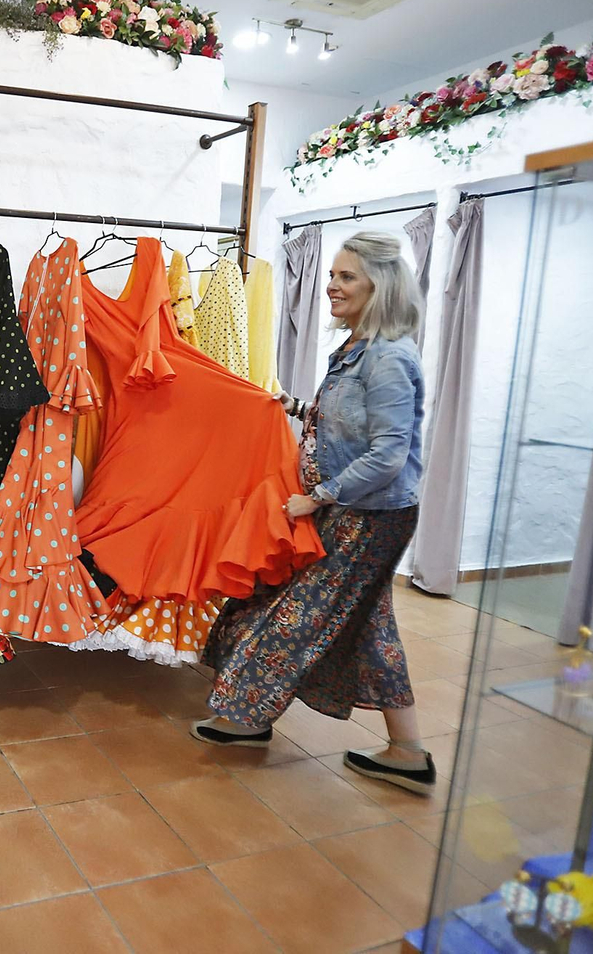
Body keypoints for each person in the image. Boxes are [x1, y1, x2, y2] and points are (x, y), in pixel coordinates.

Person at [194, 231, 436, 795]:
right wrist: (294, 407)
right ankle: (407, 750)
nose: (332, 285)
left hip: (370, 516)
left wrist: (319, 495)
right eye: (332, 274)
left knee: (294, 613)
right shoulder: (355, 350)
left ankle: (247, 717)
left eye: (347, 276)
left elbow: (389, 453)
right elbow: (342, 422)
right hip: (356, 511)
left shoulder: (389, 359)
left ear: (381, 285)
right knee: (372, 627)